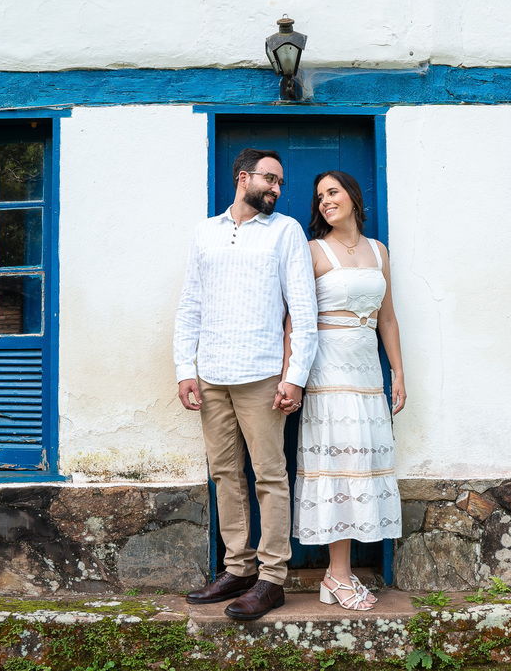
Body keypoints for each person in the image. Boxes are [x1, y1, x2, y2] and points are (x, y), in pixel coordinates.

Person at [173, 148, 318, 620]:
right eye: (270, 179)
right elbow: (191, 304)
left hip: (263, 375)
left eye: (280, 183)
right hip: (212, 373)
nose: (277, 189)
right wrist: (185, 368)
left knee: (270, 477)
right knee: (225, 474)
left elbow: (303, 310)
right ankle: (238, 569)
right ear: (243, 178)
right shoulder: (205, 232)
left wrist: (295, 377)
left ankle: (272, 579)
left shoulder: (286, 231)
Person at [290, 170, 405, 611]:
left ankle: (338, 576)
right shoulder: (313, 250)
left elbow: (387, 318)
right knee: (338, 468)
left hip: (367, 375)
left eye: (332, 192)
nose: (325, 201)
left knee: (362, 466)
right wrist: (292, 376)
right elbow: (295, 318)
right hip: (328, 373)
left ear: (353, 197)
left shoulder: (379, 251)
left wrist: (397, 373)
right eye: (319, 196)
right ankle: (337, 574)